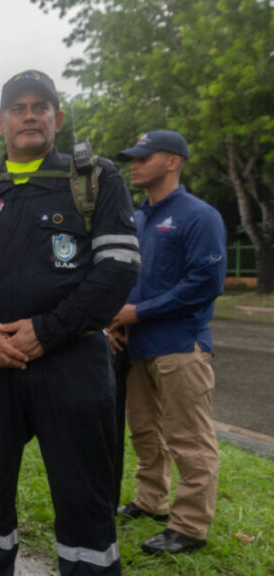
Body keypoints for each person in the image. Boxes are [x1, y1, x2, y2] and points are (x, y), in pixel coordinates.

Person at [0, 70, 140, 576]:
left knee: (84, 501)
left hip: (72, 364)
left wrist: (47, 331)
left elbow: (117, 273)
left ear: (55, 118)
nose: (29, 114)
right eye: (18, 107)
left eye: (41, 106)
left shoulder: (96, 178)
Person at [109, 130, 225, 555]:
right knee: (145, 432)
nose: (134, 164)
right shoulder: (137, 218)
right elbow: (131, 279)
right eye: (132, 157)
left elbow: (205, 283)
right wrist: (118, 318)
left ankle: (190, 526)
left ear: (173, 161)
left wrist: (137, 312)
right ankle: (151, 501)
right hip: (137, 345)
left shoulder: (200, 215)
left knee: (188, 439)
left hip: (180, 345)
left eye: (144, 157)